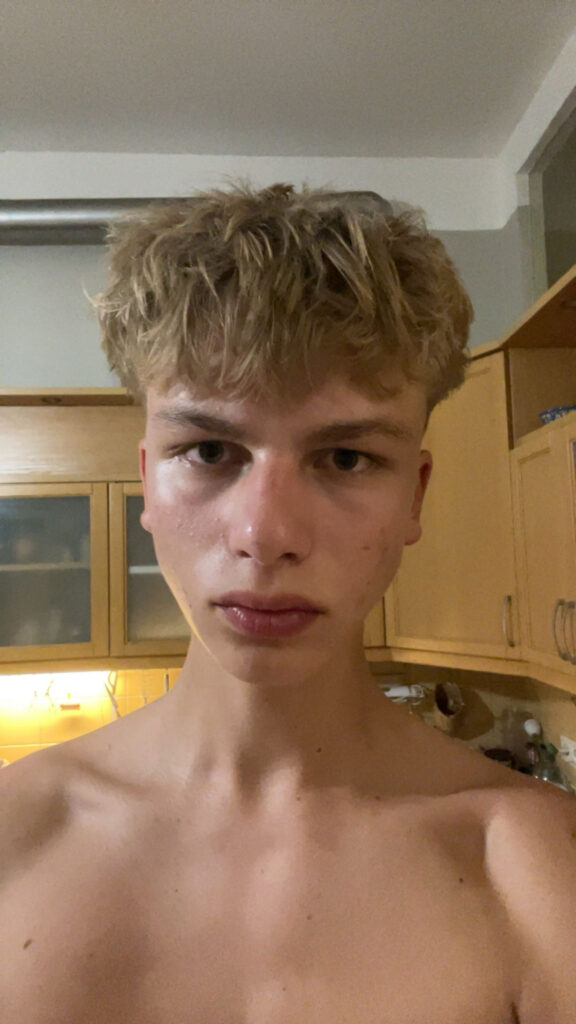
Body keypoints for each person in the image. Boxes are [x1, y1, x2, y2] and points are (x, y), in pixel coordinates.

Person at [2, 183, 575, 1023]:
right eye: (209, 450)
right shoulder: (15, 833)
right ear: (147, 483)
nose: (266, 536)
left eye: (344, 458)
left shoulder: (534, 866)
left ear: (413, 497)